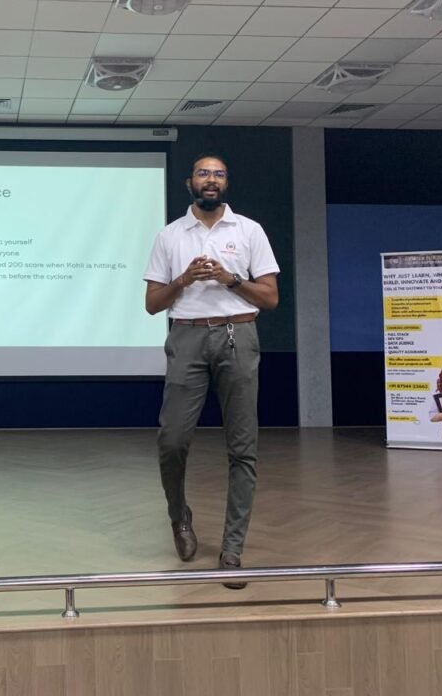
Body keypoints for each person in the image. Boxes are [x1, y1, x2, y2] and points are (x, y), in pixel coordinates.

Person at [143, 153, 280, 589]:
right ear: (190, 182)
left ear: (226, 184)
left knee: (243, 447)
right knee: (172, 440)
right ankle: (179, 517)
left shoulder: (249, 230)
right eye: (204, 173)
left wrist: (229, 278)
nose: (211, 179)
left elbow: (270, 298)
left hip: (238, 335)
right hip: (187, 337)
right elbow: (152, 304)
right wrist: (183, 280)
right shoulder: (170, 235)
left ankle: (232, 549)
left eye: (219, 174)